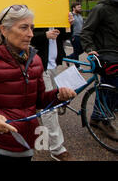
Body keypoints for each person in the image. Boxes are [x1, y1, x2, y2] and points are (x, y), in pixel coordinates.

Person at [0, 5, 76, 161]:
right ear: (4, 30)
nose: (31, 34)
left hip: (26, 141)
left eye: (32, 28)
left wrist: (58, 96)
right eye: (24, 28)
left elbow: (38, 100)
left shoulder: (35, 60)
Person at [81, 0, 118, 141]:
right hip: (106, 55)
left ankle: (97, 117)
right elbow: (86, 32)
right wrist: (90, 49)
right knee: (111, 87)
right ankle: (102, 119)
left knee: (108, 89)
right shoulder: (101, 8)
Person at [31, 23, 75, 161]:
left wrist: (70, 24)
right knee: (50, 108)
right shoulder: (37, 16)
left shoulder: (56, 16)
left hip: (54, 65)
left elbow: (65, 36)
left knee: (56, 98)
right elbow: (25, 36)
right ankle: (57, 149)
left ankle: (34, 110)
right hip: (41, 65)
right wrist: (44, 35)